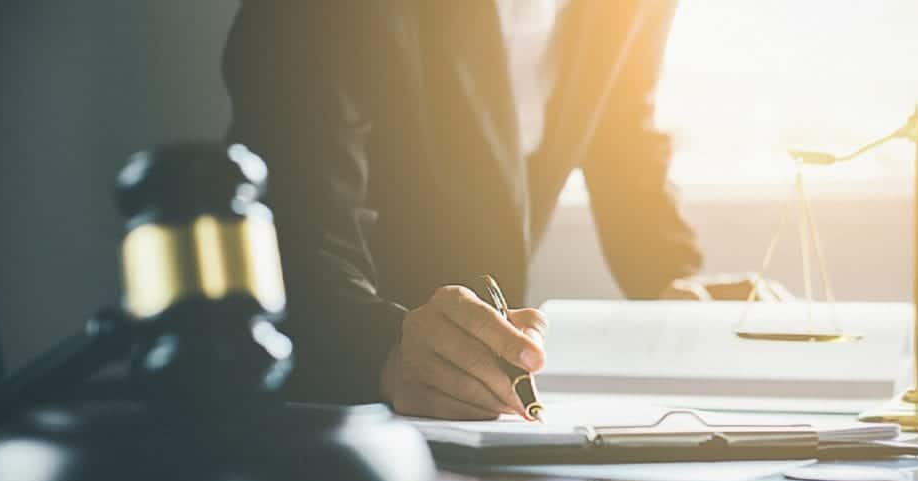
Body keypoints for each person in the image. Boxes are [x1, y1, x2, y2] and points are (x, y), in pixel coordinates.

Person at [223, 0, 705, 420]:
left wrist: (675, 279)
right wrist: (380, 350)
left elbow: (621, 121)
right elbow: (294, 220)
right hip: (323, 391)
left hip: (483, 407)